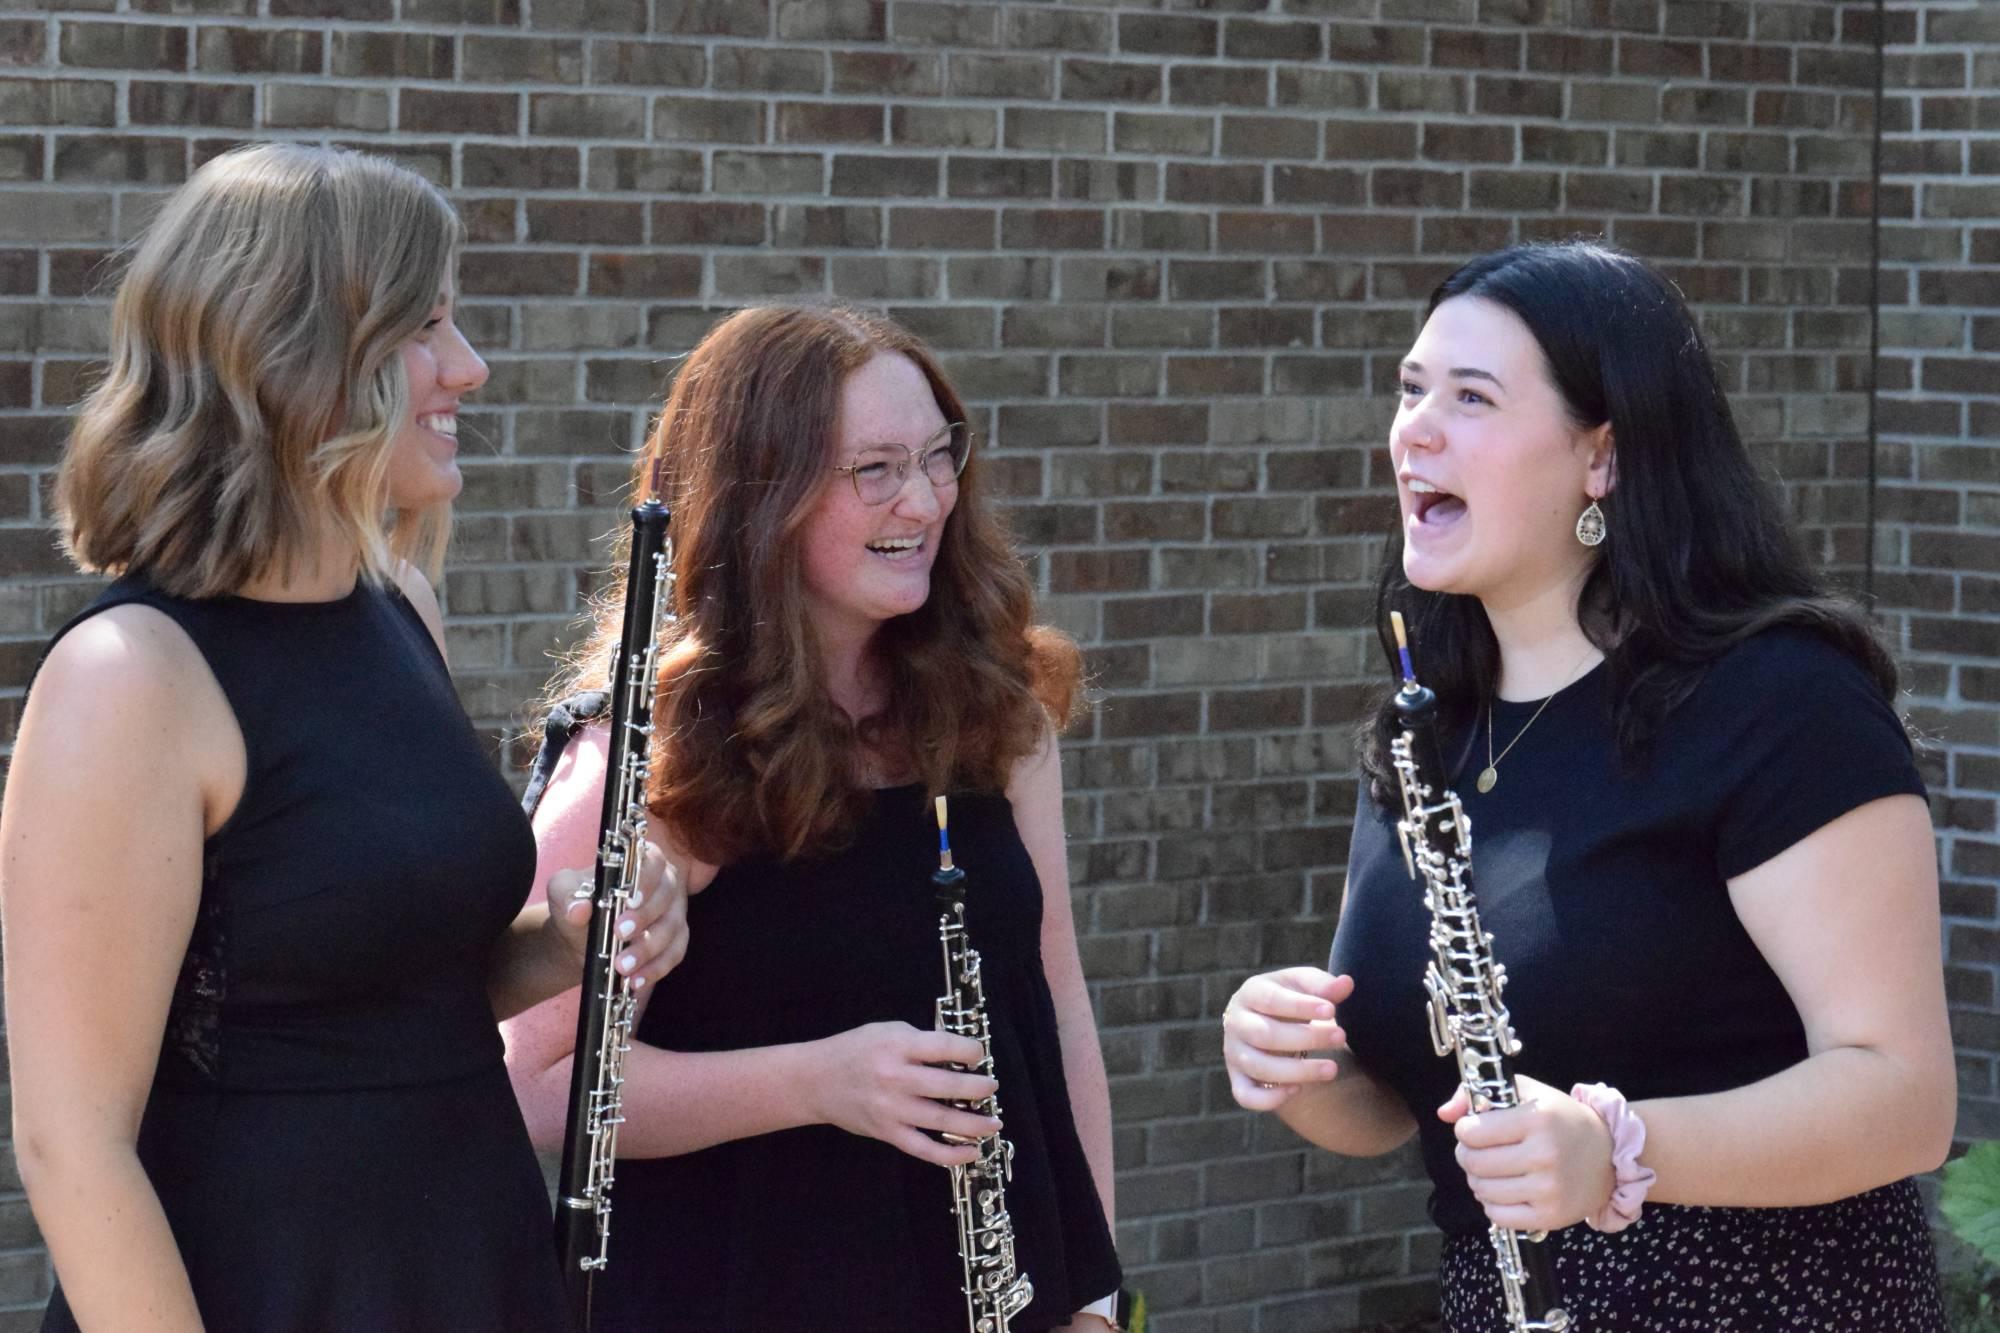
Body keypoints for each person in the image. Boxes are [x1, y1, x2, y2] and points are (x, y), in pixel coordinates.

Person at [0, 143, 685, 1333]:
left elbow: (383, 986)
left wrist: (567, 939)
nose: (467, 368)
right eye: (425, 326)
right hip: (267, 1289)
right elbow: (72, 1145)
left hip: (465, 1266)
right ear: (295, 360)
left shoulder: (399, 612)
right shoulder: (131, 679)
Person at [1221, 240, 1954, 1330]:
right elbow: (1394, 1108)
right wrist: (1298, 1064)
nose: (1413, 428)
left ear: (1600, 457)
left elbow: (1901, 1098)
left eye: (1469, 397)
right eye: (1410, 389)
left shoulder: (1779, 703)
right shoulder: (1424, 729)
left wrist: (1613, 1148)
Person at [502, 303, 1124, 1332]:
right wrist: (817, 1081)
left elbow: (1055, 1005)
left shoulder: (993, 710)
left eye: (937, 456)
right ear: (761, 498)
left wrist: (1094, 1297)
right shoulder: (652, 757)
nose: (923, 499)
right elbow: (530, 1084)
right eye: (872, 468)